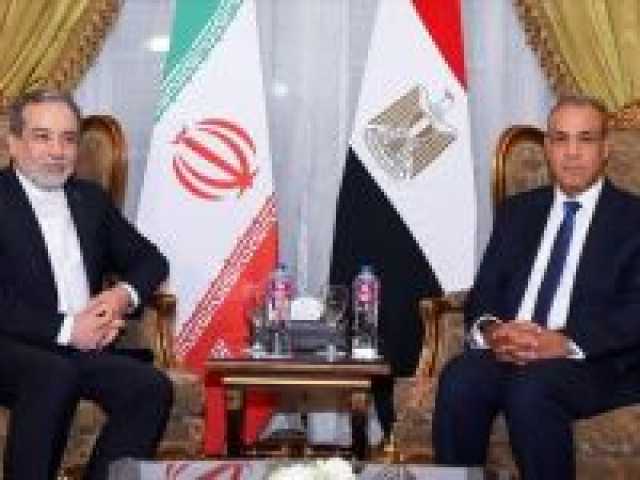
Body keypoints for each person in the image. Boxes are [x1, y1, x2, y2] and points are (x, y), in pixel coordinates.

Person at [433, 95, 640, 480]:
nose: (572, 153)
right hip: (512, 352)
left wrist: (564, 342)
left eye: (585, 139)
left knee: (532, 388)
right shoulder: (518, 211)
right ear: (547, 147)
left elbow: (633, 312)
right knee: (460, 378)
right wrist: (494, 332)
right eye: (560, 139)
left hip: (594, 363)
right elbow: (484, 292)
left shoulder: (632, 219)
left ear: (605, 149)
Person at [0, 89, 172, 480]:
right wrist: (67, 329)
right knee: (52, 374)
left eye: (68, 138)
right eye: (42, 137)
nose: (57, 151)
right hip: (11, 344)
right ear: (13, 143)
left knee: (150, 388)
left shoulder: (89, 199)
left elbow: (150, 260)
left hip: (82, 346)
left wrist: (119, 298)